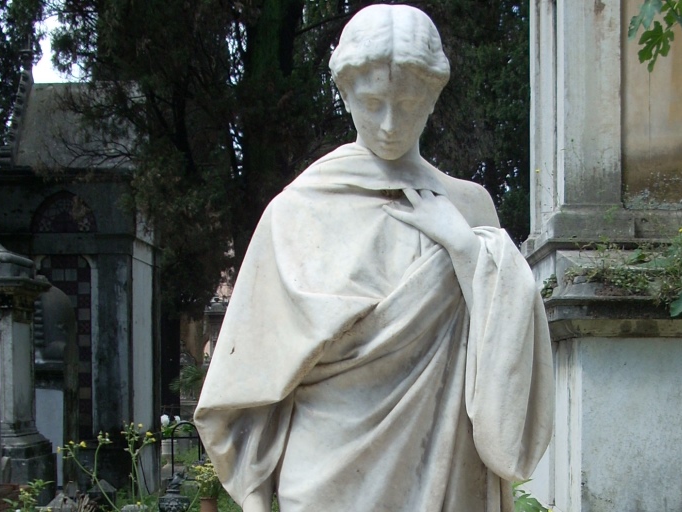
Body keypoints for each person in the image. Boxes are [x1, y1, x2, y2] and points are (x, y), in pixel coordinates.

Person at [193, 5, 552, 511]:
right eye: (372, 102)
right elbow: (250, 382)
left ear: (433, 98)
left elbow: (510, 359)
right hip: (326, 479)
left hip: (443, 469)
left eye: (407, 104)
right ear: (344, 94)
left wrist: (469, 249)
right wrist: (255, 497)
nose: (388, 123)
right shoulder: (296, 212)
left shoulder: (469, 208)